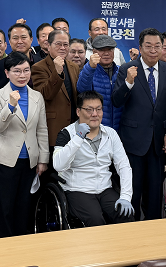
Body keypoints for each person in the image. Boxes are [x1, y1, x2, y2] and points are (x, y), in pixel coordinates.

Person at [112, 28, 166, 220]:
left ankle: (153, 229)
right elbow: (116, 101)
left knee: (155, 193)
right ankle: (131, 229)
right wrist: (128, 82)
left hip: (158, 141)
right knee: (133, 190)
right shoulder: (127, 69)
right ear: (140, 48)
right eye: (148, 46)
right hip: (133, 140)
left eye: (157, 46)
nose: (153, 50)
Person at [53, 91, 134, 226]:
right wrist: (78, 138)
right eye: (89, 110)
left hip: (105, 188)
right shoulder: (67, 134)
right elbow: (58, 165)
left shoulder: (111, 134)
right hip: (78, 189)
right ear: (78, 112)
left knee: (125, 215)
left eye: (98, 109)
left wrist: (126, 196)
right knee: (95, 220)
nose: (95, 114)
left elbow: (123, 165)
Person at [0, 52, 49, 237]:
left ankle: (21, 243)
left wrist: (43, 159)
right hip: (5, 160)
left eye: (26, 70)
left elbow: (42, 129)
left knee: (24, 206)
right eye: (17, 71)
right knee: (4, 207)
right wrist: (10, 106)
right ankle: (4, 244)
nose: (22, 75)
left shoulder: (37, 96)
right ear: (7, 73)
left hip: (29, 160)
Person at [31, 30, 80, 147]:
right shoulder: (38, 67)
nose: (62, 48)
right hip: (53, 128)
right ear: (48, 46)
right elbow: (45, 95)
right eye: (58, 44)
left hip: (74, 128)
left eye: (66, 44)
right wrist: (57, 73)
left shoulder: (74, 66)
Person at [77, 35, 122, 130]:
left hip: (119, 129)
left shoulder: (121, 71)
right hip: (95, 128)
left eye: (110, 49)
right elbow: (82, 90)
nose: (106, 53)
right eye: (102, 50)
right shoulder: (88, 70)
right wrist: (90, 68)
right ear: (94, 52)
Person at [0, 23, 37, 91]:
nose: (20, 41)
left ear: (31, 39)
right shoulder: (0, 66)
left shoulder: (41, 62)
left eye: (23, 37)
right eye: (15, 38)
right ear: (9, 41)